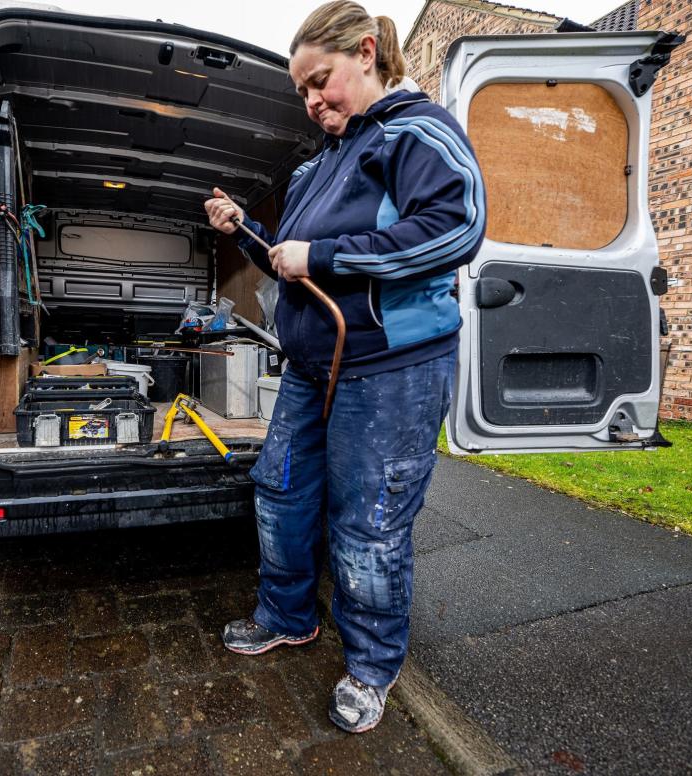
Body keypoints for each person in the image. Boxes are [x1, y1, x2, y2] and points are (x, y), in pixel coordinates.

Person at [203, 0, 486, 734]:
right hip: (310, 366)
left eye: (319, 80)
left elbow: (455, 228)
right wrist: (248, 230)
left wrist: (321, 254)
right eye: (301, 90)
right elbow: (290, 264)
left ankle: (370, 666)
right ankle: (286, 617)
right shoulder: (319, 166)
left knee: (368, 525)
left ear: (366, 52)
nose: (311, 100)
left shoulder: (415, 132)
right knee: (281, 492)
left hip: (389, 368)